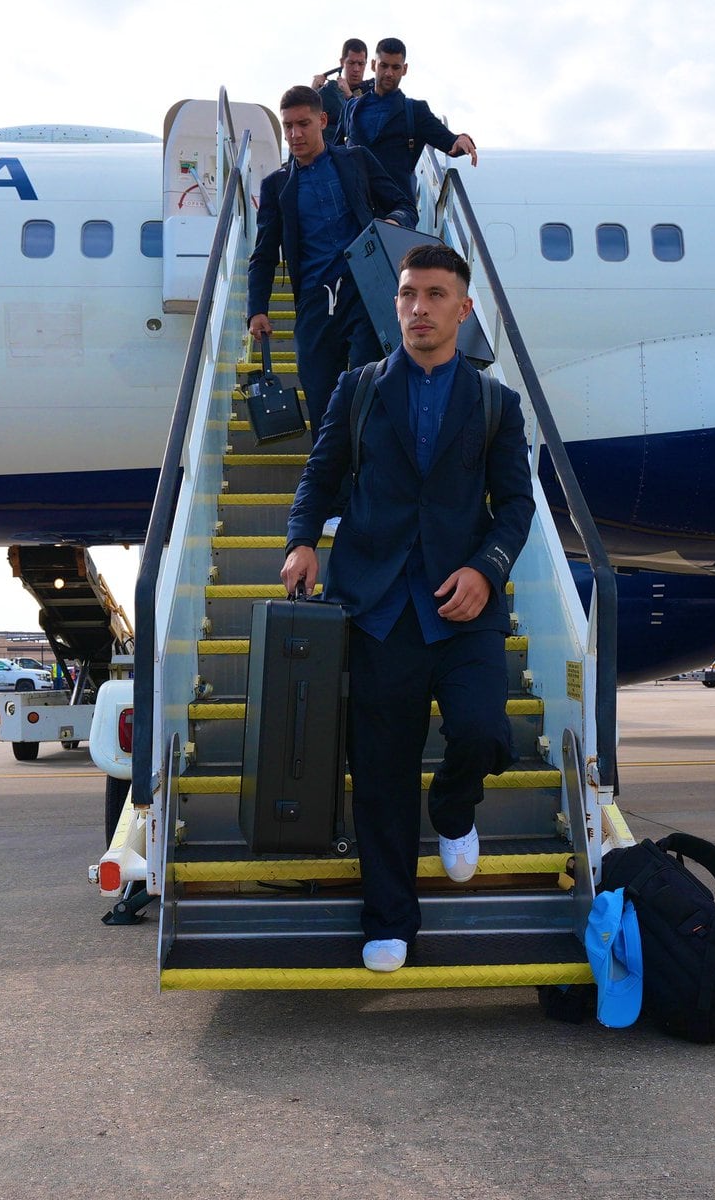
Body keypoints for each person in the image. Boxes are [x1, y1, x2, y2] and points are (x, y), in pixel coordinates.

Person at [280, 243, 535, 973]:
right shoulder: (358, 389)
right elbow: (320, 475)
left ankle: (453, 809)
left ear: (463, 308)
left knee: (484, 732)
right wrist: (302, 540)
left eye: (433, 295)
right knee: (384, 774)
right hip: (377, 606)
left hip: (463, 609)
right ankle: (389, 919)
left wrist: (488, 569)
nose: (417, 308)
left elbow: (515, 506)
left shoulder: (495, 404)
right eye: (406, 295)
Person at [247, 86, 417, 459]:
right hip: (313, 303)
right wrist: (257, 308)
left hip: (365, 294)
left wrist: (390, 221)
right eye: (287, 126)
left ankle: (370, 490)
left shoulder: (355, 160)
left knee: (367, 392)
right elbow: (263, 254)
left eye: (303, 124)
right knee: (323, 403)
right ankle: (335, 508)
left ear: (322, 121)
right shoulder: (277, 186)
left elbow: (405, 204)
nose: (294, 135)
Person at [337, 37, 478, 199]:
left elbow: (448, 141)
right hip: (356, 209)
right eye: (384, 65)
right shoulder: (352, 108)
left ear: (404, 69)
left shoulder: (416, 112)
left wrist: (461, 140)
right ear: (374, 65)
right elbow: (334, 154)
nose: (389, 73)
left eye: (395, 67)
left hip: (395, 210)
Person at [311, 38, 373, 143]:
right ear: (342, 62)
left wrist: (349, 96)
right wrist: (312, 92)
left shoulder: (373, 90)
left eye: (361, 64)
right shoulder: (330, 92)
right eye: (351, 63)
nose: (356, 69)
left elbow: (369, 124)